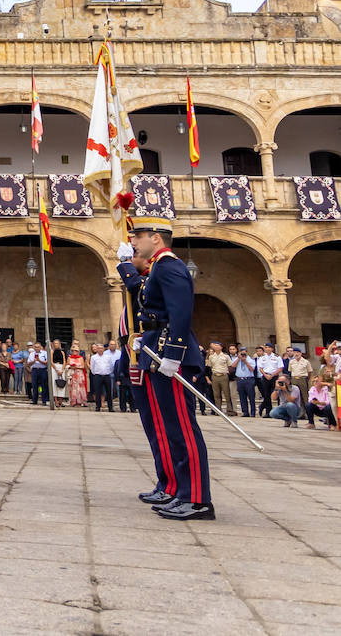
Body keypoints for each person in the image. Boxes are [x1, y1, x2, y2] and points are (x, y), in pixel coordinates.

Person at [131, 214, 212, 521]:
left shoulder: (170, 266)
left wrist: (174, 353)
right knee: (171, 429)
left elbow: (180, 313)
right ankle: (182, 491)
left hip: (172, 357)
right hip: (158, 351)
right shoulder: (157, 269)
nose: (133, 242)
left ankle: (197, 499)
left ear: (156, 237)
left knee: (183, 431)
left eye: (138, 236)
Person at [202, 341, 234, 417]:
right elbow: (209, 366)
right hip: (215, 376)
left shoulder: (226, 356)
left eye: (218, 346)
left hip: (223, 376)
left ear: (221, 347)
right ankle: (218, 410)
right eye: (215, 346)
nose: (216, 347)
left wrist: (227, 373)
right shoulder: (211, 357)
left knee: (227, 394)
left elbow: (230, 366)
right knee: (216, 394)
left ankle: (229, 410)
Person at [256, 344, 283, 418]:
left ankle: (279, 411)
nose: (267, 349)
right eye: (266, 348)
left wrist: (272, 375)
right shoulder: (262, 358)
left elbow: (280, 368)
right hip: (265, 377)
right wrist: (265, 375)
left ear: (272, 349)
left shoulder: (277, 357)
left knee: (276, 393)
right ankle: (268, 412)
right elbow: (260, 368)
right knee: (266, 395)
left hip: (274, 376)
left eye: (269, 348)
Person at [233, 345, 258, 418]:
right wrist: (238, 358)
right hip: (240, 379)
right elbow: (233, 366)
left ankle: (253, 412)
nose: (243, 354)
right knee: (242, 397)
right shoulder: (237, 359)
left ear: (246, 352)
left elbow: (252, 369)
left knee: (251, 397)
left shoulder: (251, 359)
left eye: (244, 352)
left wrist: (245, 361)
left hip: (249, 379)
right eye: (241, 352)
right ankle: (245, 412)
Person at [67, 341, 88, 407]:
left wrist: (76, 366)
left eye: (76, 351)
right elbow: (67, 366)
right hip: (72, 374)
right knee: (73, 388)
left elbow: (83, 366)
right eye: (73, 351)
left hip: (79, 374)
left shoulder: (80, 358)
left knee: (80, 388)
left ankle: (81, 401)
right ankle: (73, 401)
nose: (74, 352)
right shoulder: (69, 358)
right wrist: (71, 366)